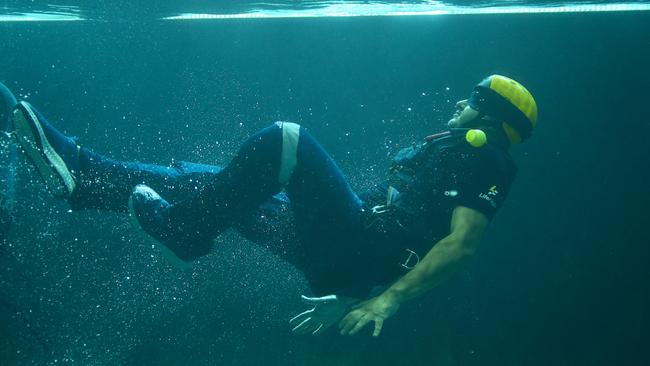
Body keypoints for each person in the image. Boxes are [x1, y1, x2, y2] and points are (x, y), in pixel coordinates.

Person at [3, 75, 538, 337]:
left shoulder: (486, 156)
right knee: (214, 185)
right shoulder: (463, 155)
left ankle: (183, 235)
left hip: (355, 248)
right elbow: (413, 236)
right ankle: (83, 177)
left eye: (471, 100)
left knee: (287, 141)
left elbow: (461, 244)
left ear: (490, 115)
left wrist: (387, 301)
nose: (458, 105)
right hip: (345, 256)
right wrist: (353, 290)